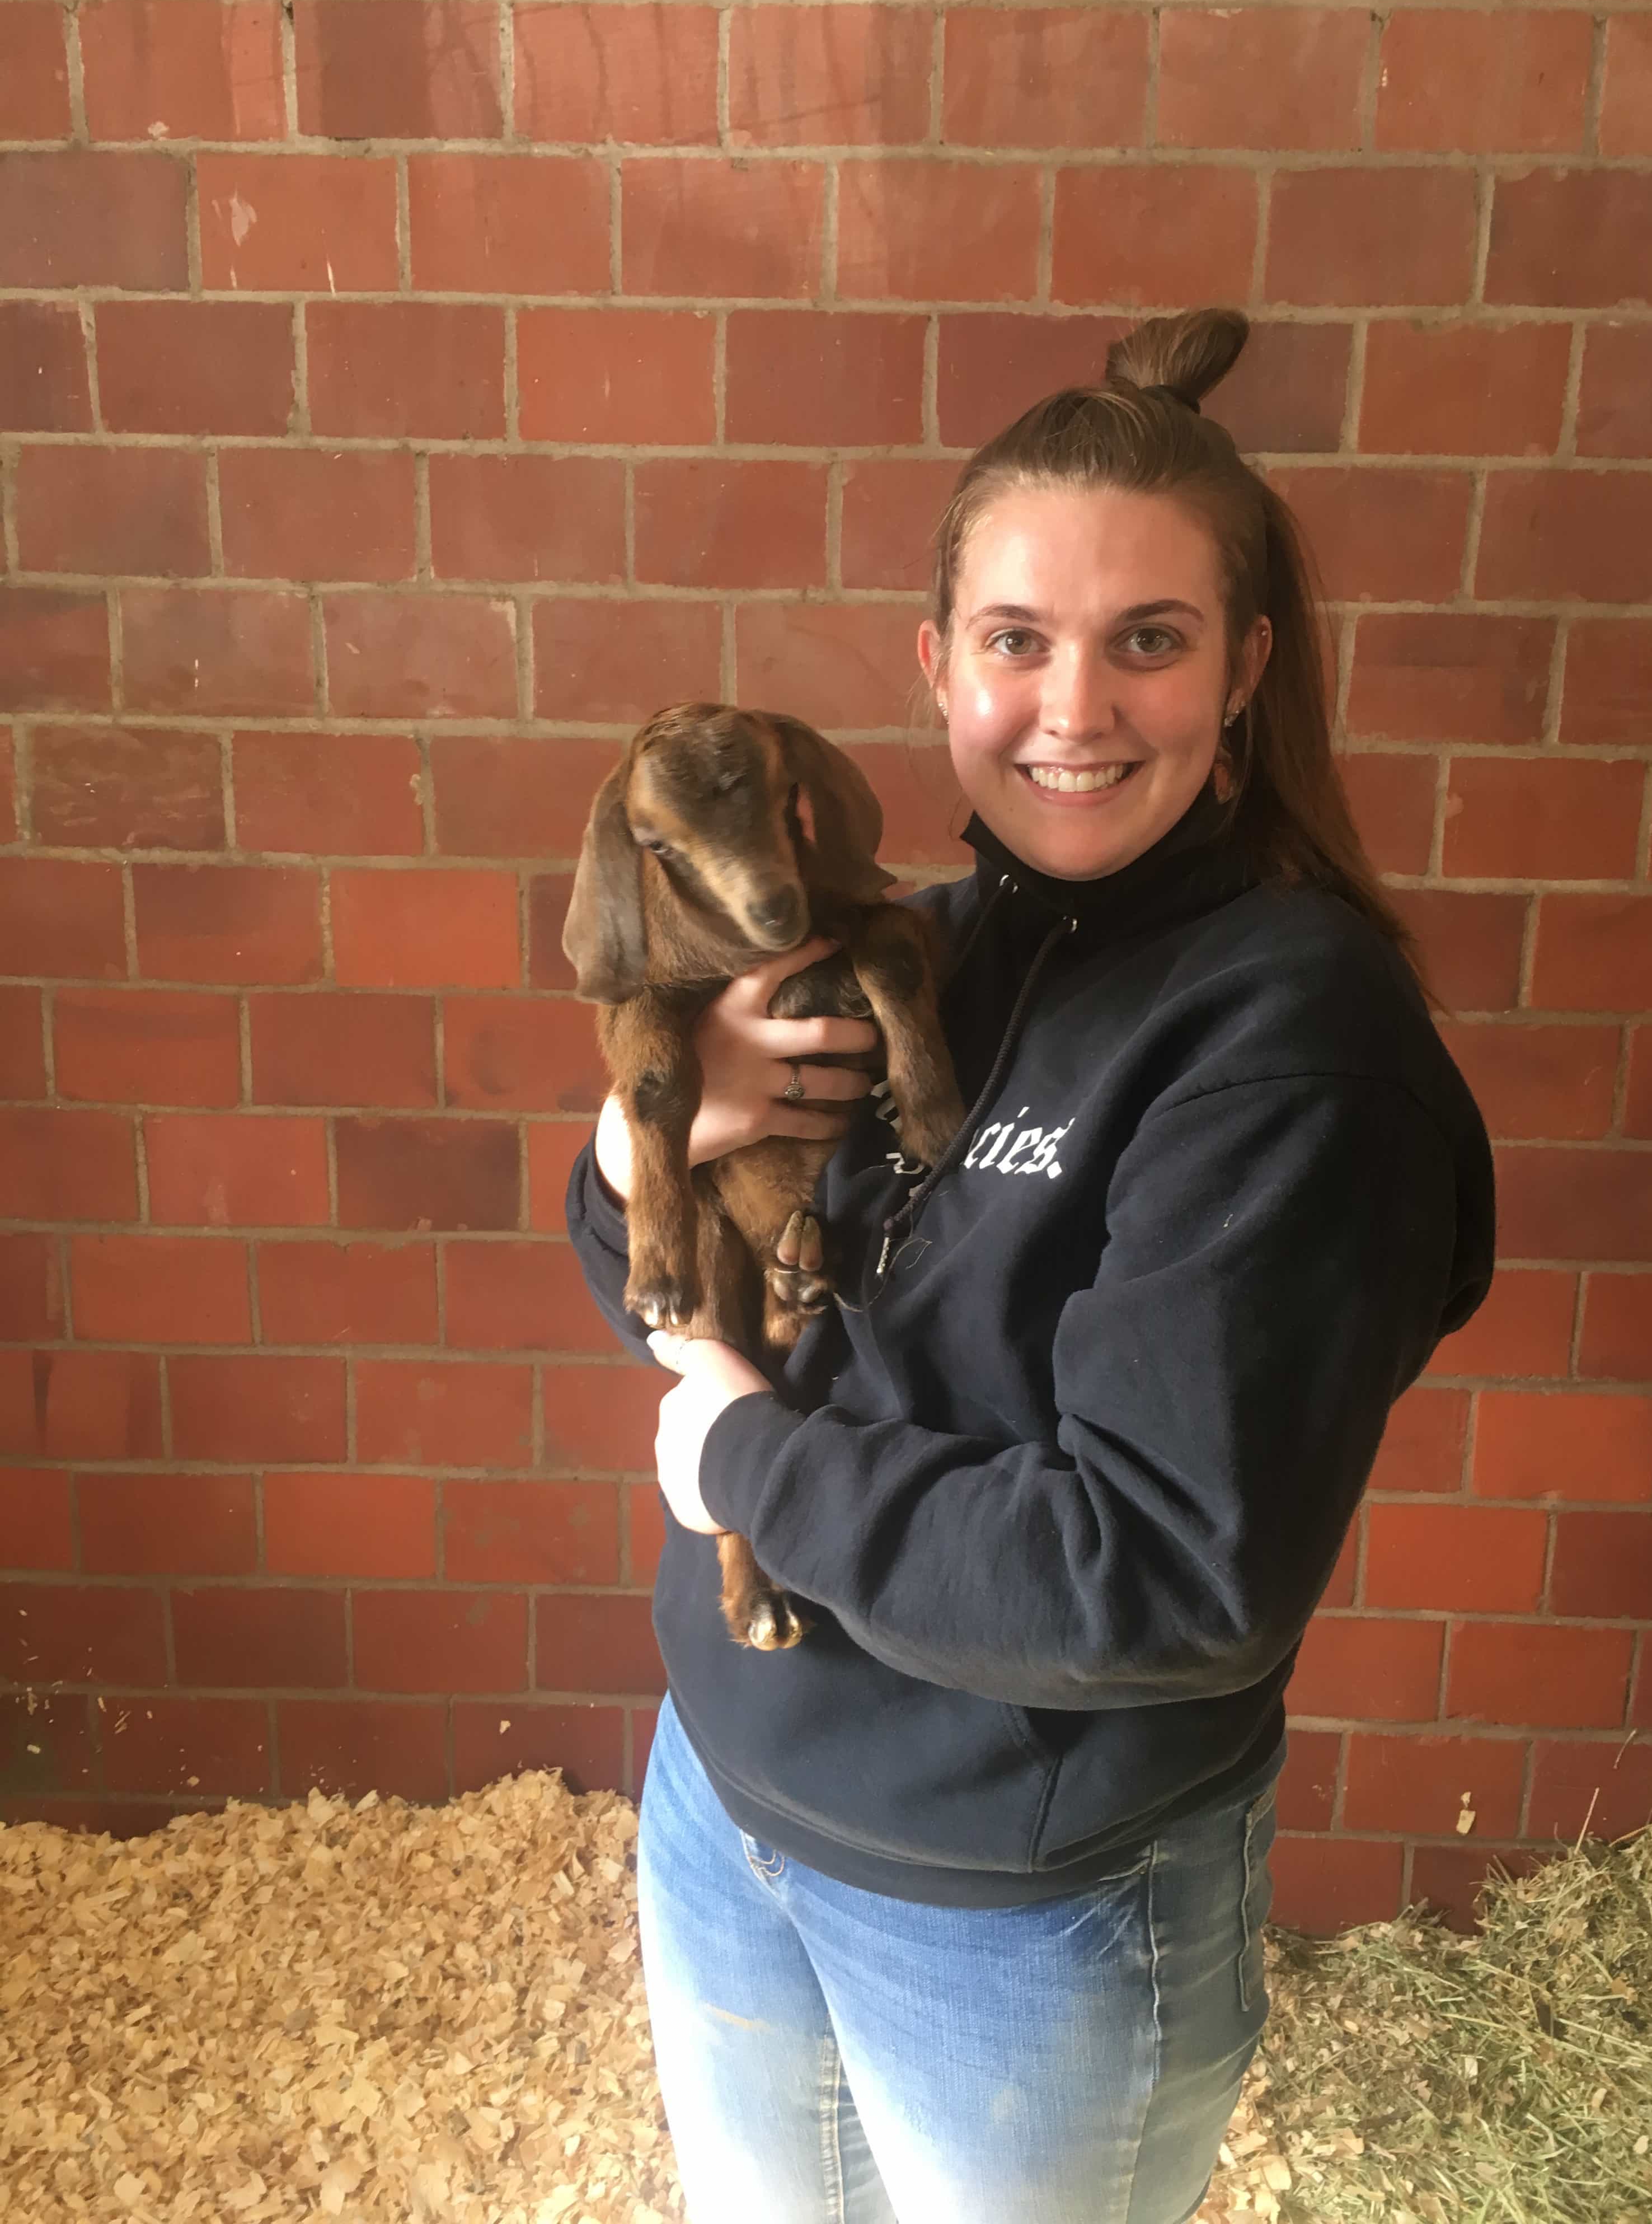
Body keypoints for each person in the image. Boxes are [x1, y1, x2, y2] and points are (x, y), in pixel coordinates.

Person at [566, 307, 1495, 2224]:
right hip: (727, 1809)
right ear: (936, 665)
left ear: (1244, 669)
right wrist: (648, 1149)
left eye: (1146, 641)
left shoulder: (1289, 1043)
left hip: (1019, 1911)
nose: (1071, 709)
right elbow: (672, 1291)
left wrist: (742, 1462)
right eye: (1017, 641)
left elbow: (1161, 1571)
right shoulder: (923, 942)